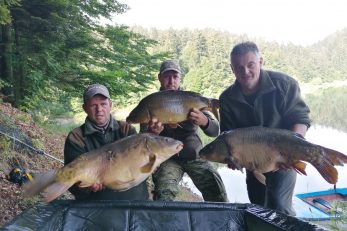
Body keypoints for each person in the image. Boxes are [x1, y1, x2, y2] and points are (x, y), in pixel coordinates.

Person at [219, 41, 311, 215]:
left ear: (261, 62)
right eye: (239, 67)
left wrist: (291, 151)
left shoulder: (285, 84)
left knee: (280, 206)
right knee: (258, 206)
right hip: (252, 163)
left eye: (250, 65)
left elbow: (300, 118)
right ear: (232, 69)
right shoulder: (227, 98)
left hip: (283, 157)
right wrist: (232, 159)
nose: (245, 72)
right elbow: (226, 136)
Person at [143, 60, 228, 202]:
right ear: (159, 78)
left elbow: (214, 131)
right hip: (167, 159)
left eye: (175, 77)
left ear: (180, 78)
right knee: (164, 195)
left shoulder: (191, 99)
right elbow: (143, 140)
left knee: (217, 191)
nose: (171, 81)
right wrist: (153, 133)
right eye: (167, 77)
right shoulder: (152, 102)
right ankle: (167, 222)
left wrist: (204, 121)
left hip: (195, 156)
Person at [64, 83, 149, 200]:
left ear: (110, 104)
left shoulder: (126, 129)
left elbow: (140, 163)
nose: (99, 109)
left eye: (103, 104)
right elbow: (72, 184)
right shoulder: (76, 137)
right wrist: (87, 187)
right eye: (94, 105)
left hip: (133, 200)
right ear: (85, 108)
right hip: (97, 206)